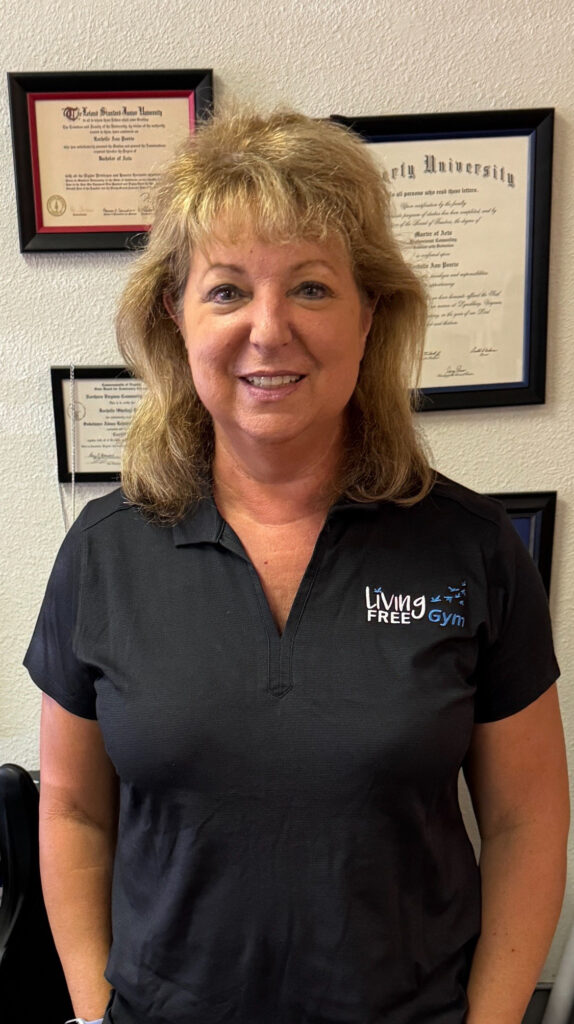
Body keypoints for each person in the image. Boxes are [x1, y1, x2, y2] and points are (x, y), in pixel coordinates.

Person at [25, 108, 569, 1024]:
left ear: (369, 314)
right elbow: (73, 810)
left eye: (311, 287)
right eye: (227, 290)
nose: (269, 330)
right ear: (177, 316)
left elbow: (527, 818)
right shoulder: (104, 551)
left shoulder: (473, 548)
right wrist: (90, 1011)